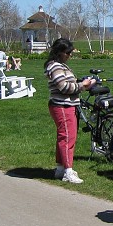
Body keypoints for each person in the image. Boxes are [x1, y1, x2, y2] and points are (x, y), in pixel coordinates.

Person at [44, 37, 97, 184]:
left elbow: (69, 84)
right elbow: (64, 87)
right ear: (59, 52)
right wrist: (83, 85)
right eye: (68, 52)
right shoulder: (55, 67)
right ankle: (68, 170)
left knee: (66, 136)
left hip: (67, 105)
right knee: (67, 137)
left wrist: (84, 84)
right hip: (62, 105)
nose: (70, 55)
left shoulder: (61, 65)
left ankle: (61, 168)